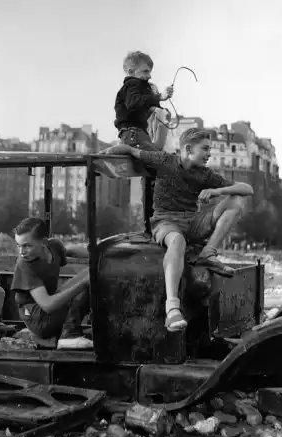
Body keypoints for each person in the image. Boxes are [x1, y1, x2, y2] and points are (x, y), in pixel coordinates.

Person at [101, 128, 254, 332]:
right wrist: (107, 152)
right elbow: (131, 150)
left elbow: (247, 189)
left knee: (236, 201)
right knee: (177, 241)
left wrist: (217, 190)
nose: (209, 154)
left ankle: (208, 252)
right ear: (188, 149)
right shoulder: (165, 161)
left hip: (193, 222)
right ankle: (172, 308)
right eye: (205, 149)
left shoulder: (204, 174)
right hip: (166, 222)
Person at [10, 217, 93, 350]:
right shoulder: (24, 264)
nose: (21, 252)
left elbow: (68, 251)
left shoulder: (54, 246)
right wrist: (83, 283)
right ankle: (69, 335)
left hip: (50, 310)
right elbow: (48, 305)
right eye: (18, 245)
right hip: (37, 318)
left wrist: (95, 254)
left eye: (27, 246)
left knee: (93, 272)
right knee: (86, 280)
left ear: (43, 242)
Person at [114, 50, 174, 151]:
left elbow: (144, 104)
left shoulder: (138, 87)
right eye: (146, 71)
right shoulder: (132, 84)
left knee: (152, 155)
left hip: (137, 133)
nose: (150, 76)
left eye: (150, 72)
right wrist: (159, 97)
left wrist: (161, 110)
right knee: (153, 156)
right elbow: (134, 102)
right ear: (131, 72)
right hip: (133, 133)